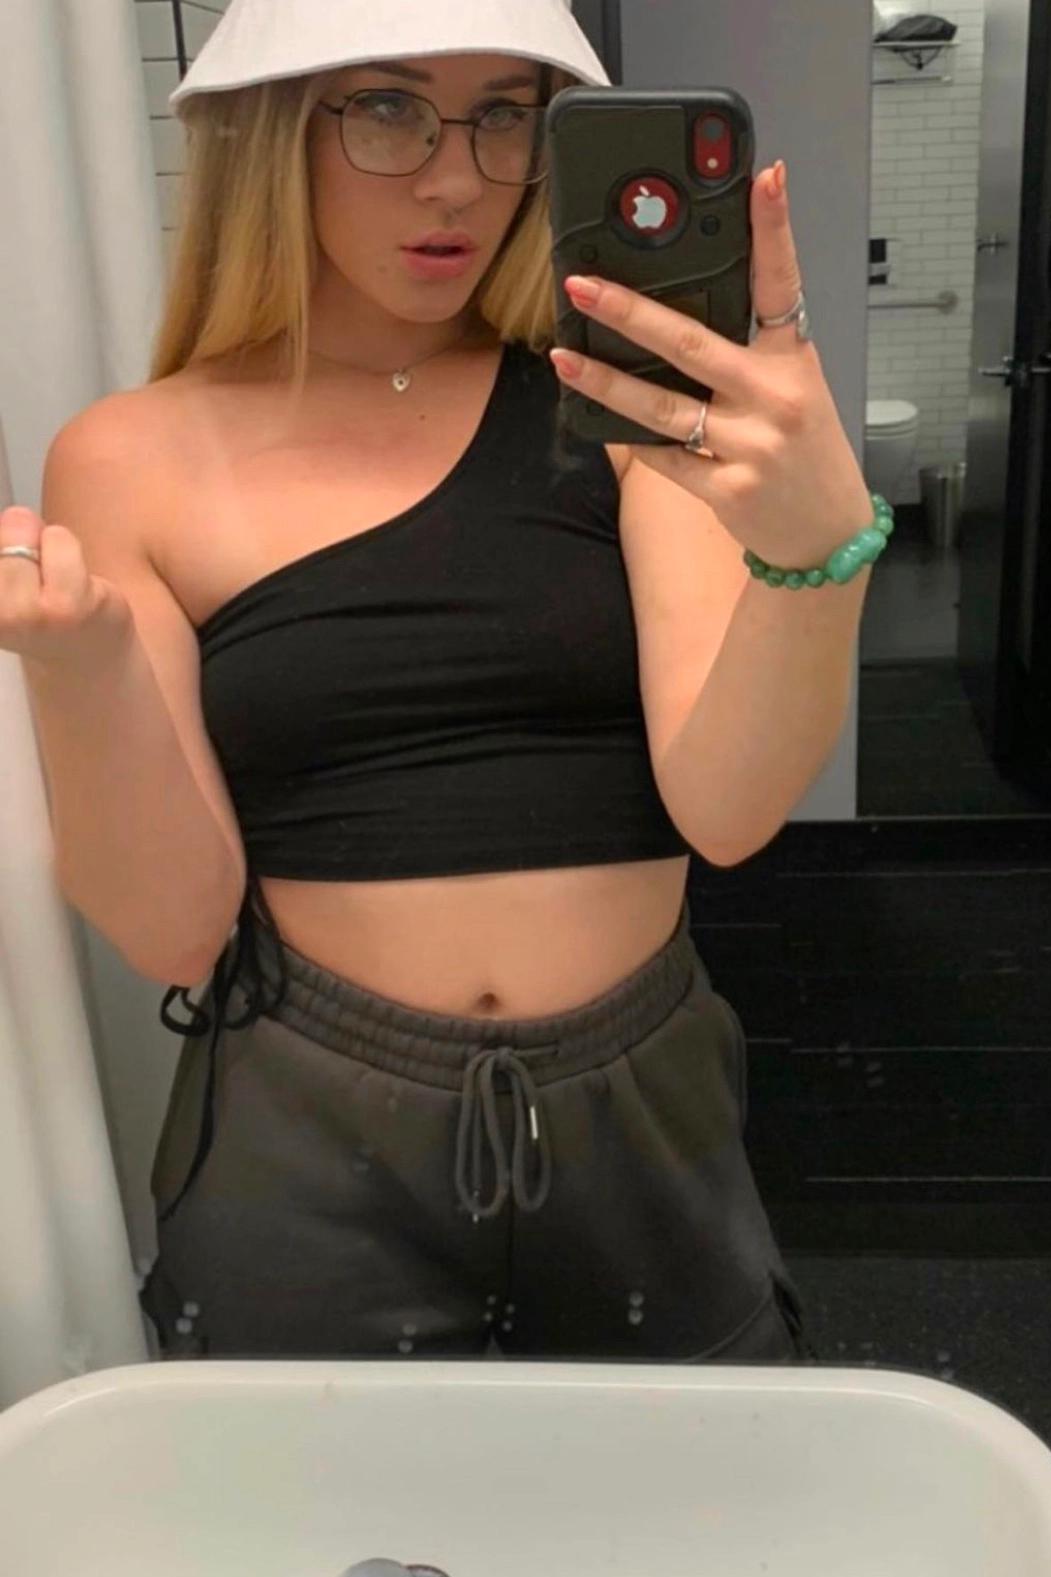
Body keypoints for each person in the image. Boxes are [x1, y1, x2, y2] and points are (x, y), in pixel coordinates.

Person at [2, 0, 891, 1363]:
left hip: (641, 1102)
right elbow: (177, 933)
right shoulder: (131, 456)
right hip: (306, 1128)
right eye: (387, 107)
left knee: (694, 1476)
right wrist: (84, 667)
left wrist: (816, 557)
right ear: (267, 134)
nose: (458, 179)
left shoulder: (623, 404)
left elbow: (727, 809)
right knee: (309, 1492)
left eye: (505, 115)